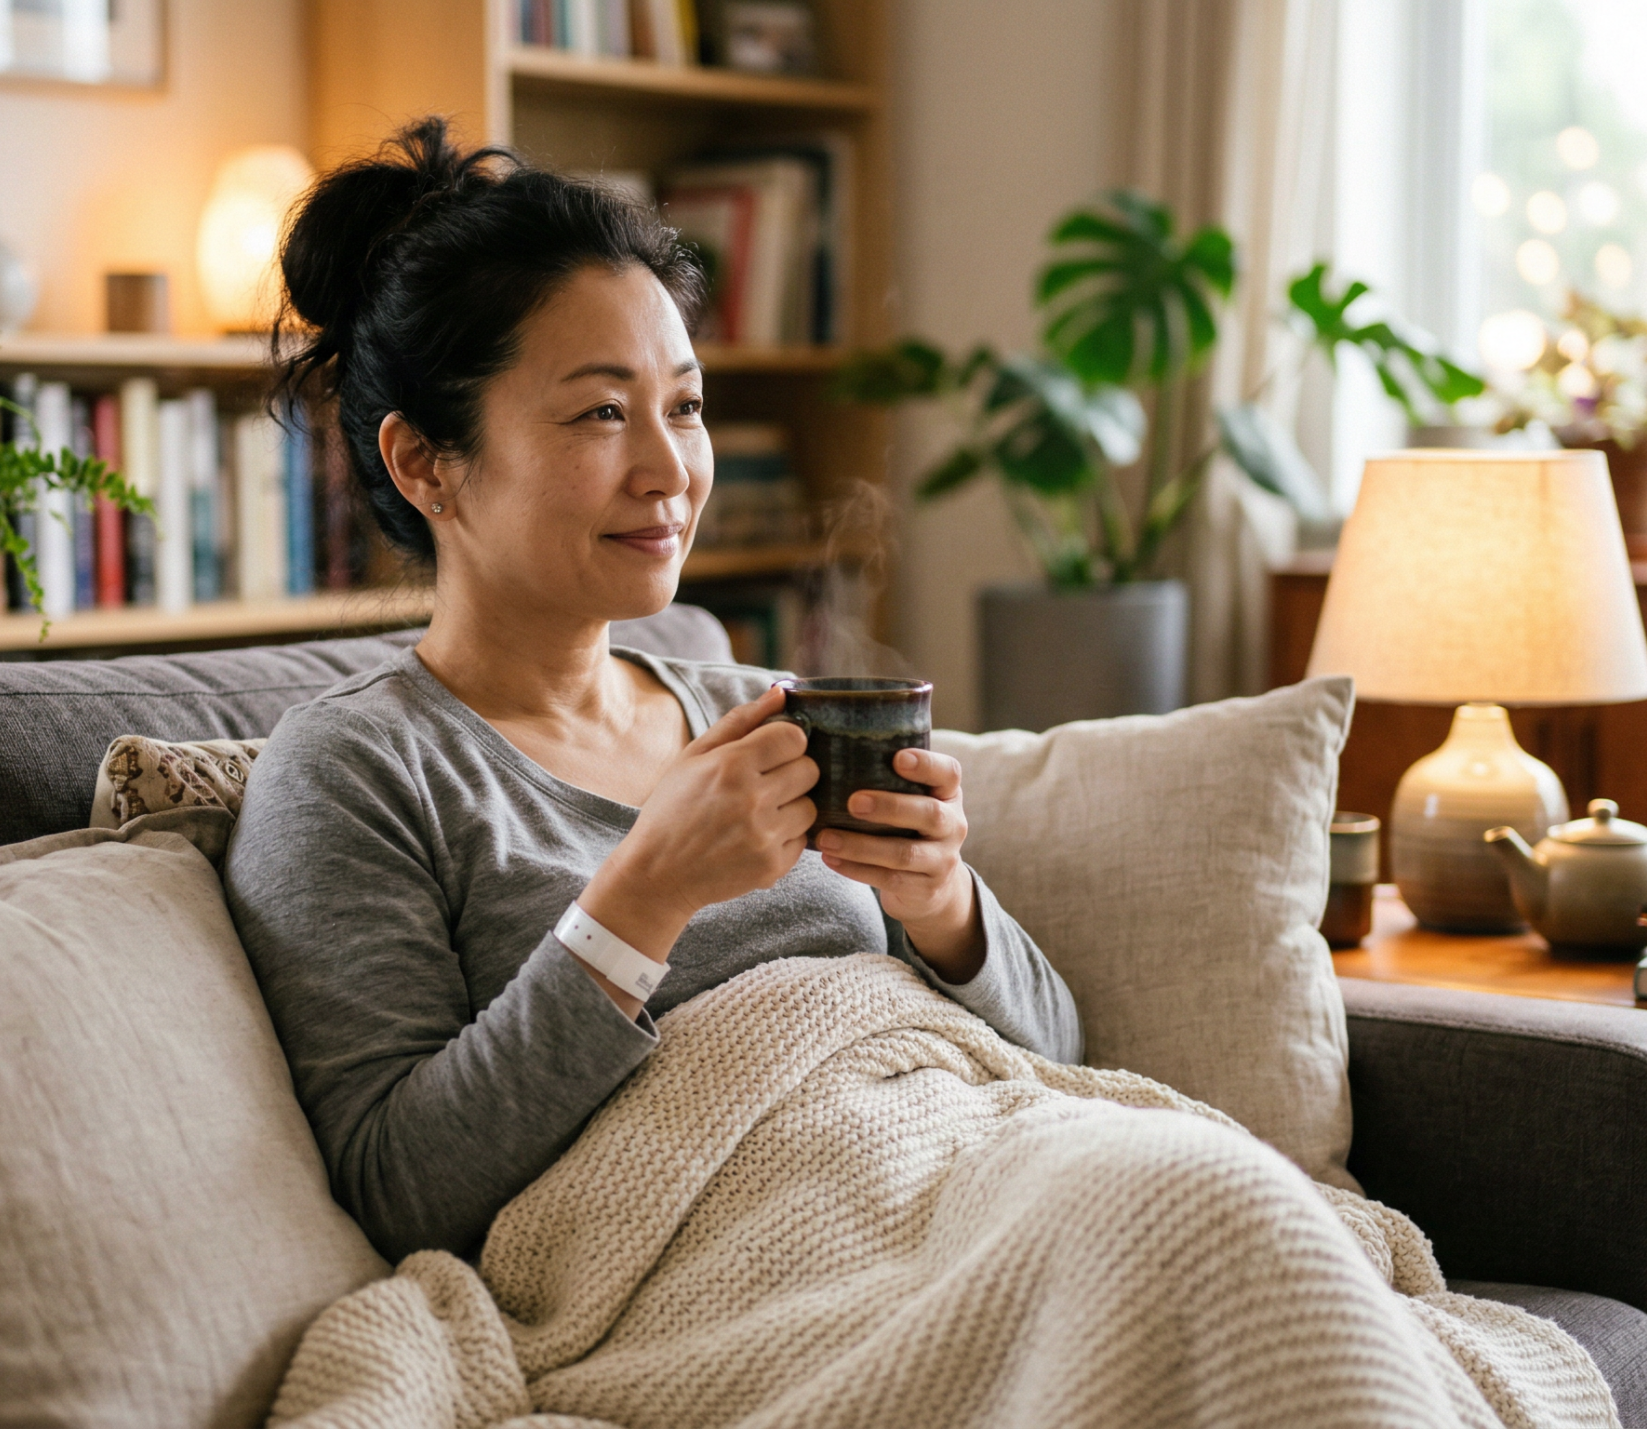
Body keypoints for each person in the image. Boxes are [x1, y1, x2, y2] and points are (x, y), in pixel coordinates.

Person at [223, 118, 1081, 1264]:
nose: (671, 469)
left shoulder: (762, 712)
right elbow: (397, 1188)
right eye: (600, 412)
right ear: (424, 462)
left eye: (683, 405)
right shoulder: (359, 772)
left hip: (972, 1175)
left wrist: (943, 905)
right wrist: (642, 897)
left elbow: (1060, 1046)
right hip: (757, 1269)